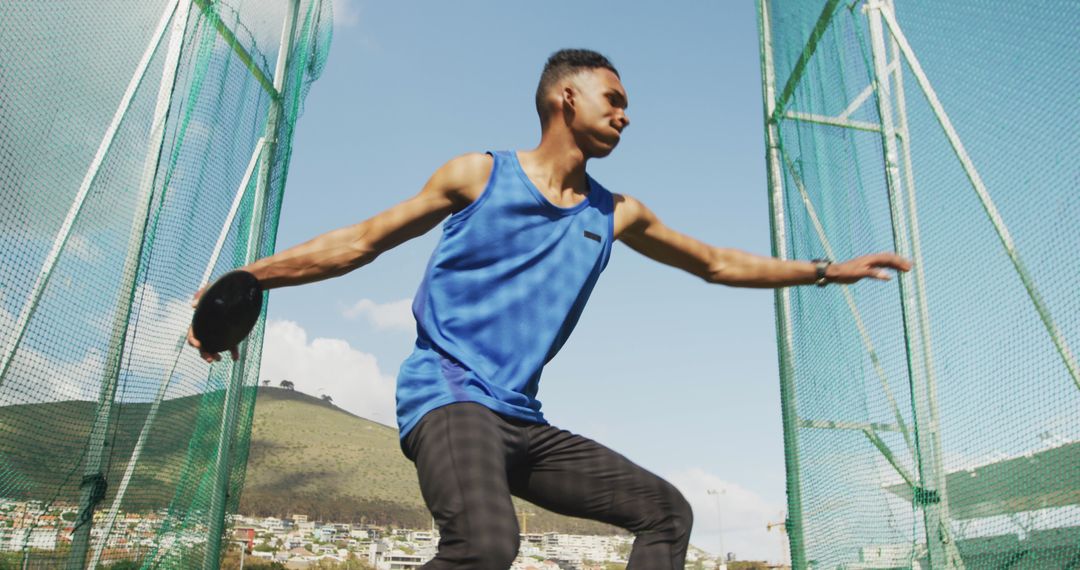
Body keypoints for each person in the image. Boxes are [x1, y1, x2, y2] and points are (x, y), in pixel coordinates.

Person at [188, 49, 910, 569]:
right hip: (448, 398)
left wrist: (825, 270)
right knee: (486, 544)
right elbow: (360, 242)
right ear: (566, 98)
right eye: (614, 100)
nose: (627, 115)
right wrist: (250, 275)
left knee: (668, 512)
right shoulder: (479, 175)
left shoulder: (617, 213)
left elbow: (717, 263)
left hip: (521, 421)